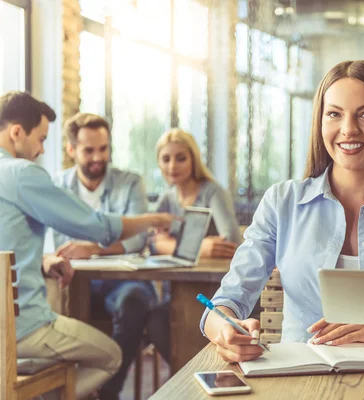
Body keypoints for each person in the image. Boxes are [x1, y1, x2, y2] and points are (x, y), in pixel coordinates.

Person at [201, 60, 364, 364]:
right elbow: (224, 303)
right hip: (299, 378)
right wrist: (225, 331)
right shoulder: (282, 202)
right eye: (334, 114)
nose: (349, 129)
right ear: (320, 123)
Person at [0, 91, 174, 400]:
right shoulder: (22, 174)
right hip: (21, 330)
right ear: (16, 132)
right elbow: (97, 227)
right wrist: (150, 219)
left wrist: (41, 260)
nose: (41, 150)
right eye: (40, 139)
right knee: (110, 357)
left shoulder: (127, 180)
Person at [51, 112, 158, 399]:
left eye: (104, 148)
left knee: (135, 302)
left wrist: (92, 248)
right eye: (89, 150)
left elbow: (137, 238)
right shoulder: (56, 185)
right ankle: (67, 389)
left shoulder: (130, 183)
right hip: (74, 282)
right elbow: (60, 241)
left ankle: (105, 393)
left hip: (123, 281)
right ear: (71, 149)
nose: (98, 157)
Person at [146, 128, 242, 362]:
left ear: (193, 159)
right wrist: (202, 248)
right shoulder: (167, 198)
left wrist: (168, 243)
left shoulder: (212, 191)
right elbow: (150, 241)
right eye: (166, 159)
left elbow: (230, 240)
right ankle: (186, 375)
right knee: (154, 321)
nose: (172, 166)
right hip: (178, 290)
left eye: (181, 158)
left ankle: (198, 372)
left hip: (213, 291)